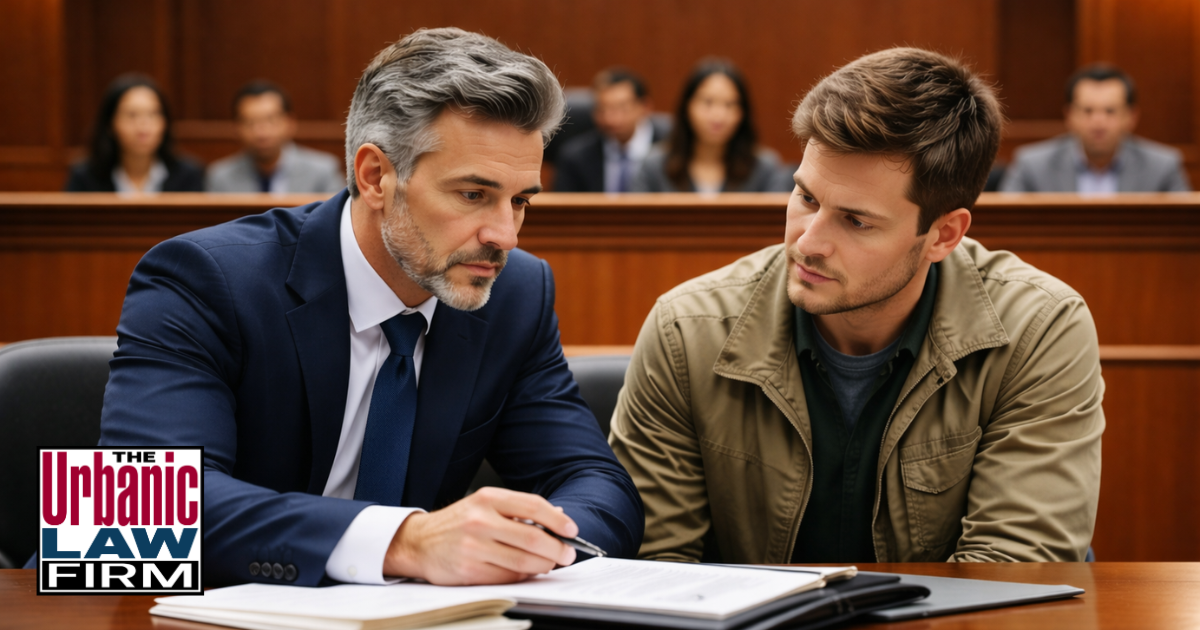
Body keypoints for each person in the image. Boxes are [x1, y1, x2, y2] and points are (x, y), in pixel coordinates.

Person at [95, 28, 642, 587]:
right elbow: (136, 511)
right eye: (473, 195)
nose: (506, 235)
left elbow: (595, 483)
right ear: (376, 175)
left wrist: (533, 543)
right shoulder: (203, 279)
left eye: (520, 201)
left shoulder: (515, 294)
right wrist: (404, 541)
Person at [609, 48, 1104, 564]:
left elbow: (1013, 576)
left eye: (856, 221)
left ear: (943, 235)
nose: (808, 243)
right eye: (805, 198)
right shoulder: (686, 331)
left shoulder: (1039, 329)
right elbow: (651, 570)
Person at [999, 64, 1190, 193]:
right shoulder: (1032, 166)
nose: (1098, 122)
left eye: (1110, 111)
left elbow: (1185, 235)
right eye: (1088, 111)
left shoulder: (1163, 168)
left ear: (1131, 117)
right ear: (1069, 116)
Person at [631, 59, 793, 193]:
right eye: (708, 102)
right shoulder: (654, 166)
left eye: (730, 105)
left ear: (742, 113)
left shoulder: (764, 168)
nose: (718, 116)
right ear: (687, 107)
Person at [65, 74, 204, 193]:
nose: (143, 126)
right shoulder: (85, 177)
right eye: (132, 115)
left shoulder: (188, 175)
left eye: (153, 114)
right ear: (109, 124)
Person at [207, 81, 345, 194]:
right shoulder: (220, 177)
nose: (261, 132)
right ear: (236, 128)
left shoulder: (322, 171)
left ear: (290, 123)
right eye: (250, 122)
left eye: (271, 120)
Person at [553, 68, 669, 192]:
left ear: (645, 107)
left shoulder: (672, 150)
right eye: (602, 109)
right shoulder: (575, 158)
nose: (610, 119)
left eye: (621, 108)